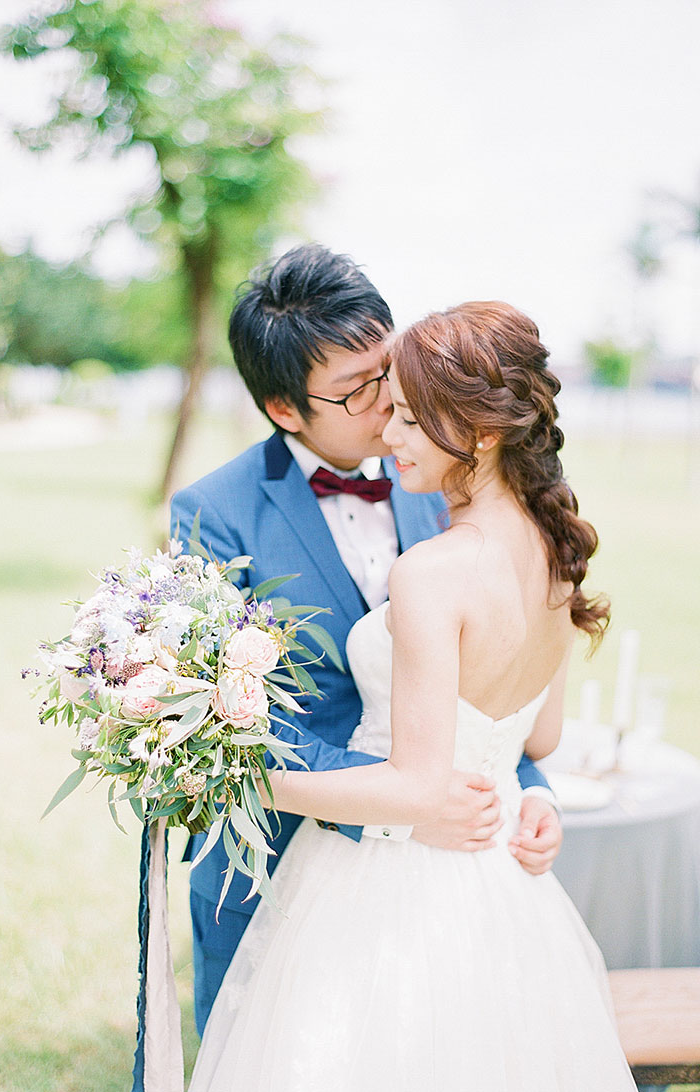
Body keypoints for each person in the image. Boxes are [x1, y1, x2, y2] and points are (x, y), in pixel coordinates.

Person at [131, 248, 562, 1084]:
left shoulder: (442, 471)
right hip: (279, 875)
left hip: (445, 878)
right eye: (356, 391)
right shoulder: (214, 515)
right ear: (283, 406)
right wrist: (401, 806)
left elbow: (496, 656)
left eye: (389, 372)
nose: (387, 406)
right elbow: (228, 727)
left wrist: (533, 783)